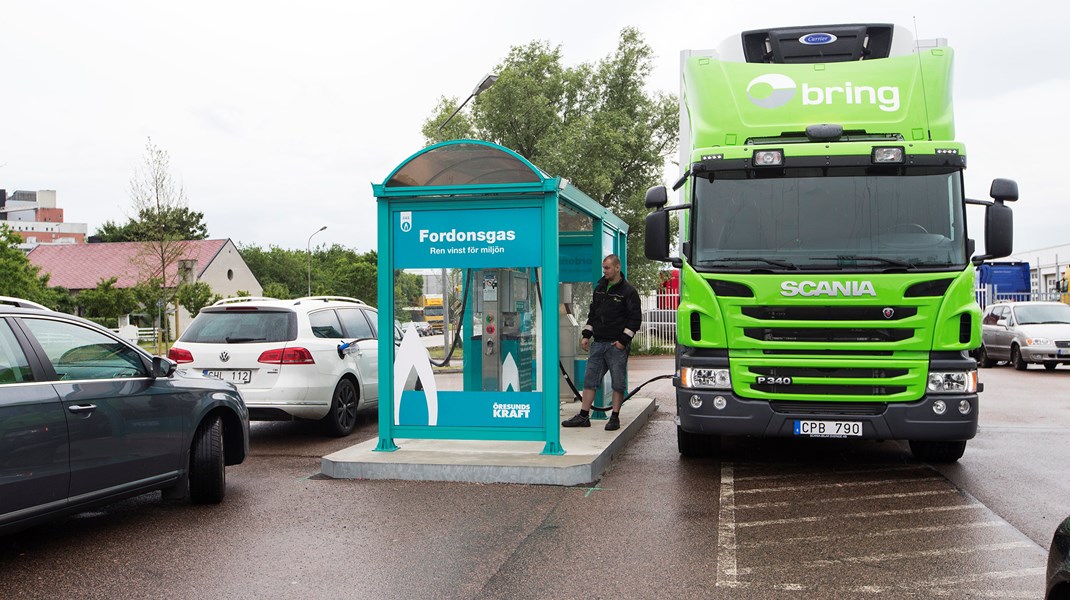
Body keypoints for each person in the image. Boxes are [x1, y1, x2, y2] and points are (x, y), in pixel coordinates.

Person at [562, 254, 642, 431]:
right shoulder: (599, 289)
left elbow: (635, 320)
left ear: (617, 267)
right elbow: (593, 315)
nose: (604, 271)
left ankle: (614, 417)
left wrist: (622, 342)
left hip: (616, 346)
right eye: (603, 268)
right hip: (598, 343)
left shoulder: (628, 291)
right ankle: (584, 416)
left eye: (607, 268)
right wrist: (586, 335)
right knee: (590, 380)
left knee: (617, 382)